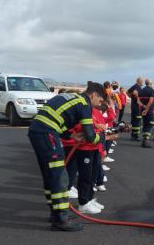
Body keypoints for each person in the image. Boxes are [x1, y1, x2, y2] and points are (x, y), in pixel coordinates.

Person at [28, 82, 105, 232]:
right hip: (47, 133)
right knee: (59, 176)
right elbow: (90, 136)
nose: (98, 105)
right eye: (100, 101)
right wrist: (100, 138)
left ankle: (56, 214)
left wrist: (72, 135)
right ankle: (61, 220)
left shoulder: (72, 98)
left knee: (50, 175)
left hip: (39, 131)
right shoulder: (84, 103)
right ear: (94, 95)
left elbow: (58, 119)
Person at [138, 79, 154, 147]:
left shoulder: (141, 90)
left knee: (145, 124)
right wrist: (147, 109)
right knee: (150, 124)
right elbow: (150, 101)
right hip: (150, 111)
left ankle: (144, 140)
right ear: (150, 83)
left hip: (142, 109)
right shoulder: (152, 90)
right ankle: (146, 141)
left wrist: (144, 107)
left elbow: (138, 101)